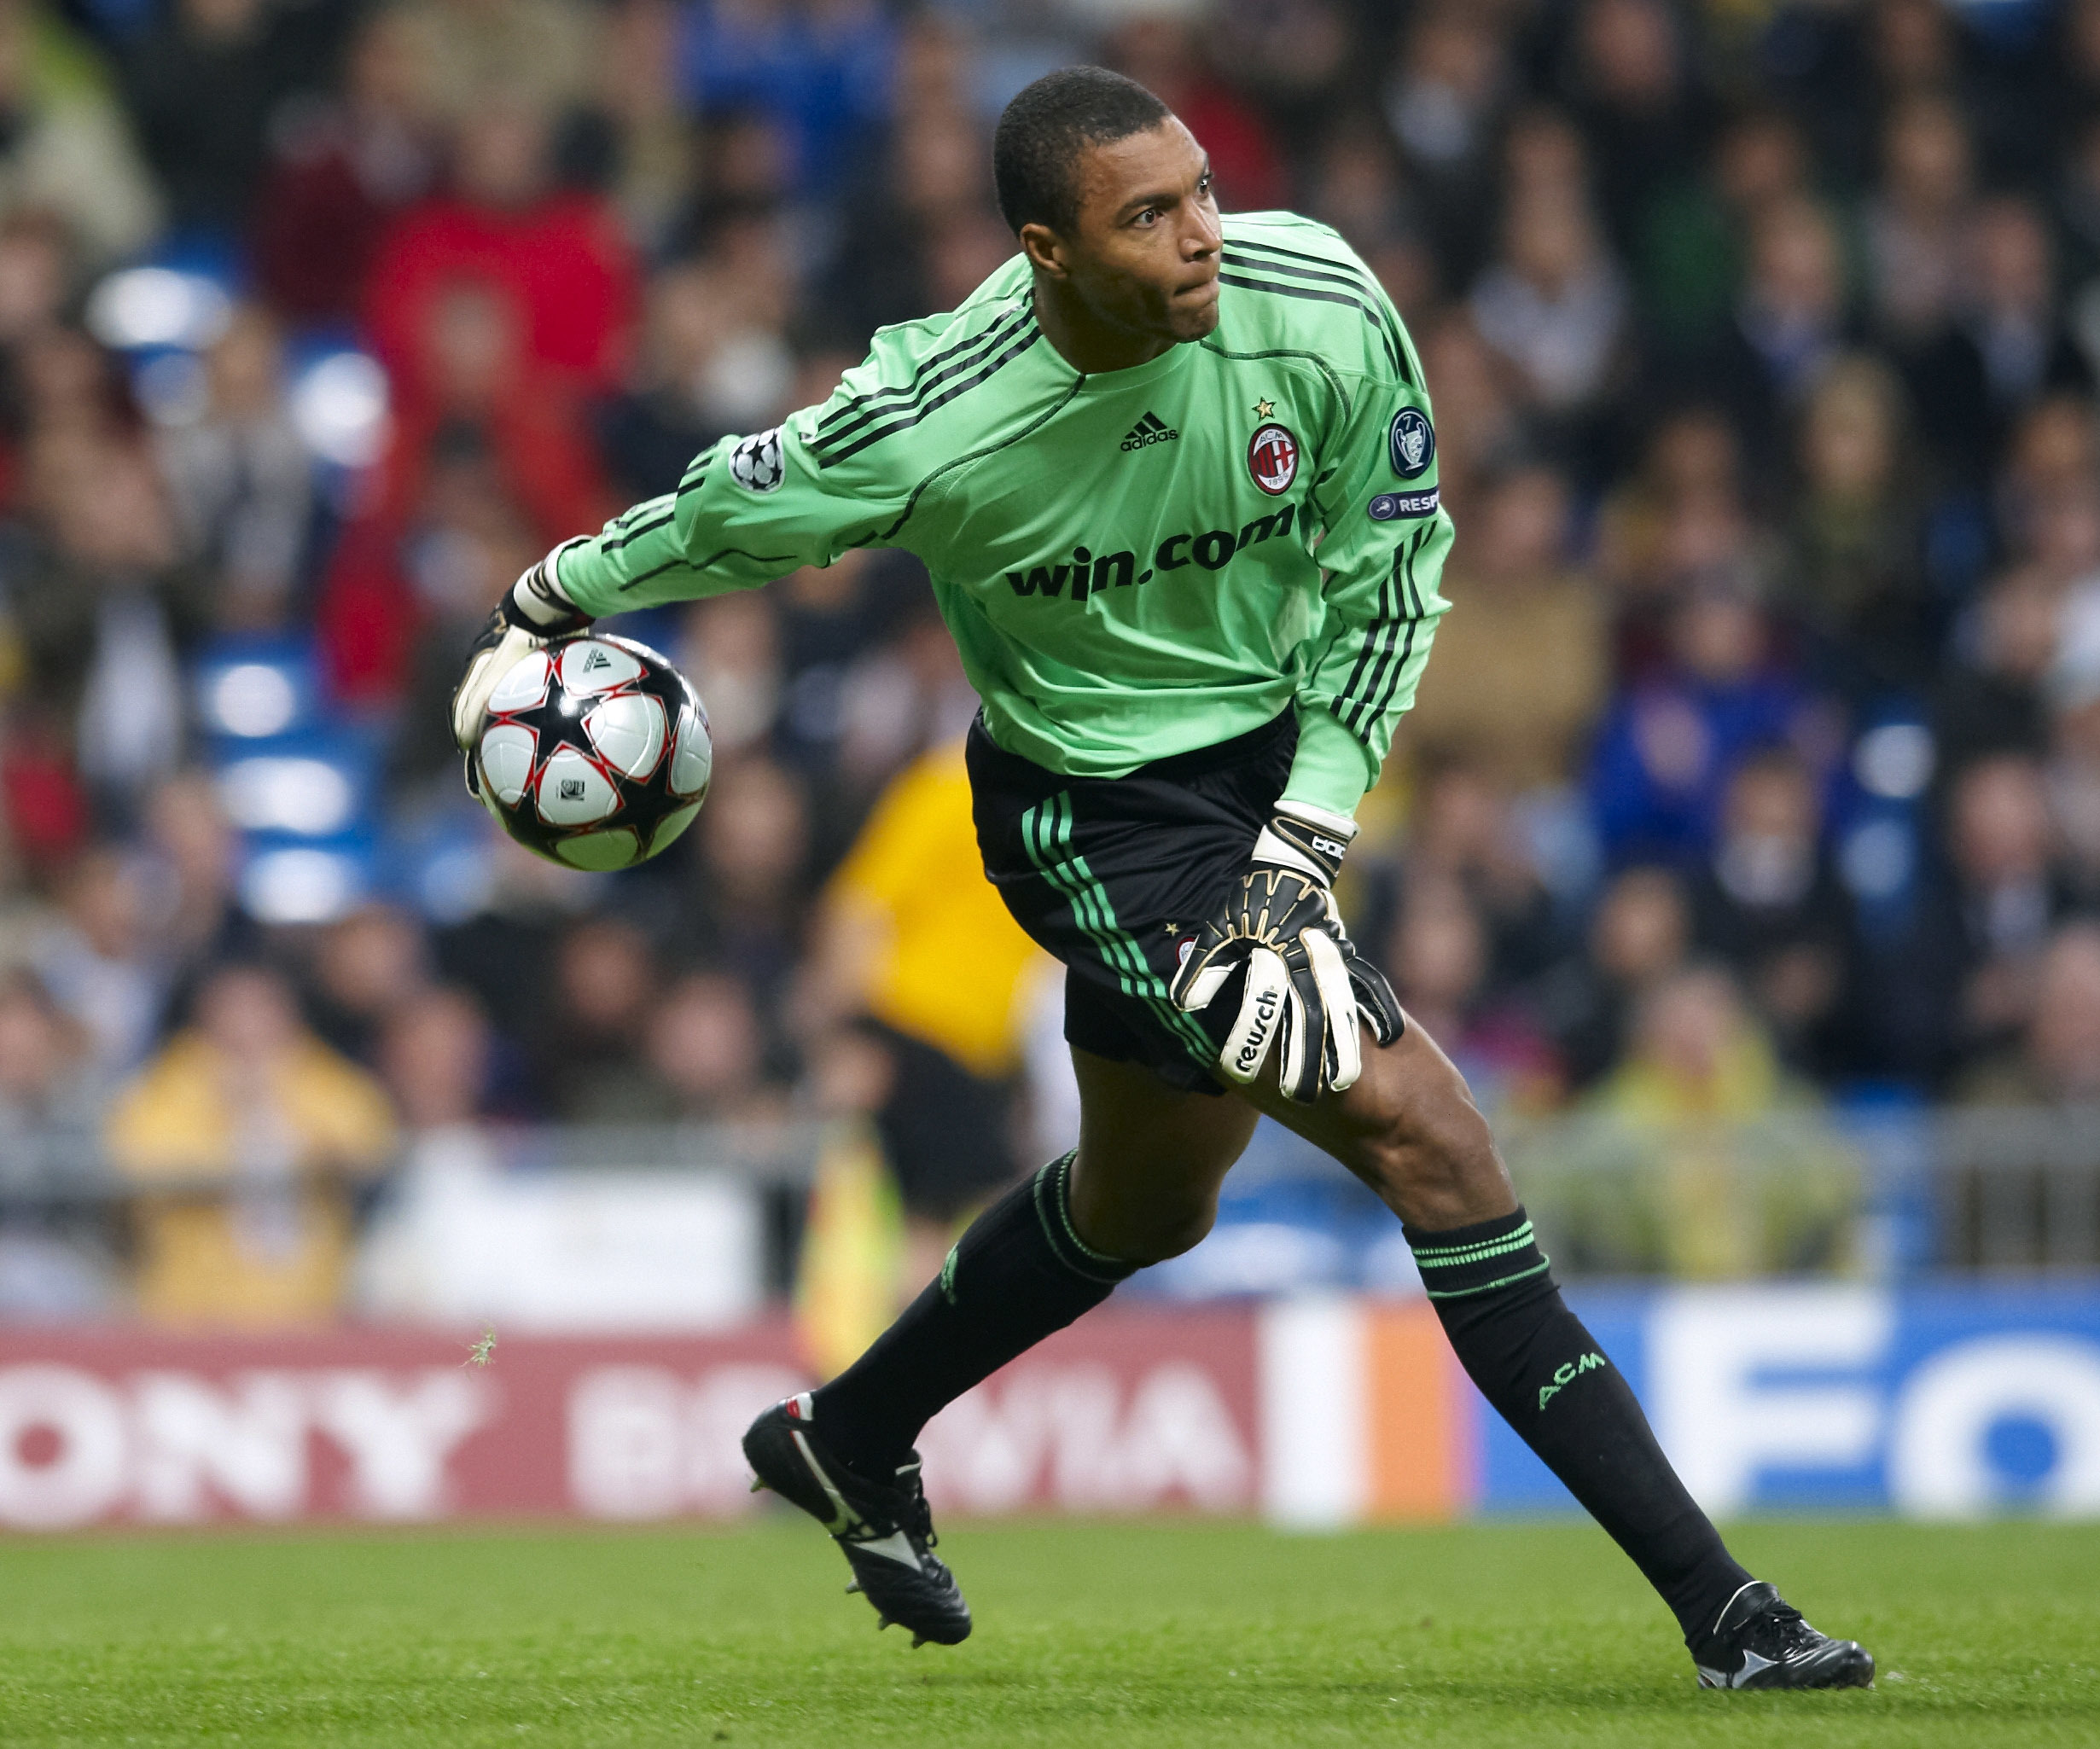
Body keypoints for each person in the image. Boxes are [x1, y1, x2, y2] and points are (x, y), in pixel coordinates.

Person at [448, 67, 1870, 1694]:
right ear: (1047, 250)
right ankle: (1729, 1611)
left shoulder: (1318, 304)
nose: (1203, 235)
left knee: (1146, 1203)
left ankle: (849, 1433)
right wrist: (547, 597)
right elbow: (736, 510)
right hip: (1096, 815)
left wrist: (1305, 838)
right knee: (1432, 1136)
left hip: (1266, 776)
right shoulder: (933, 414)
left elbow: (1393, 579)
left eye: (1201, 190)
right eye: (1150, 216)